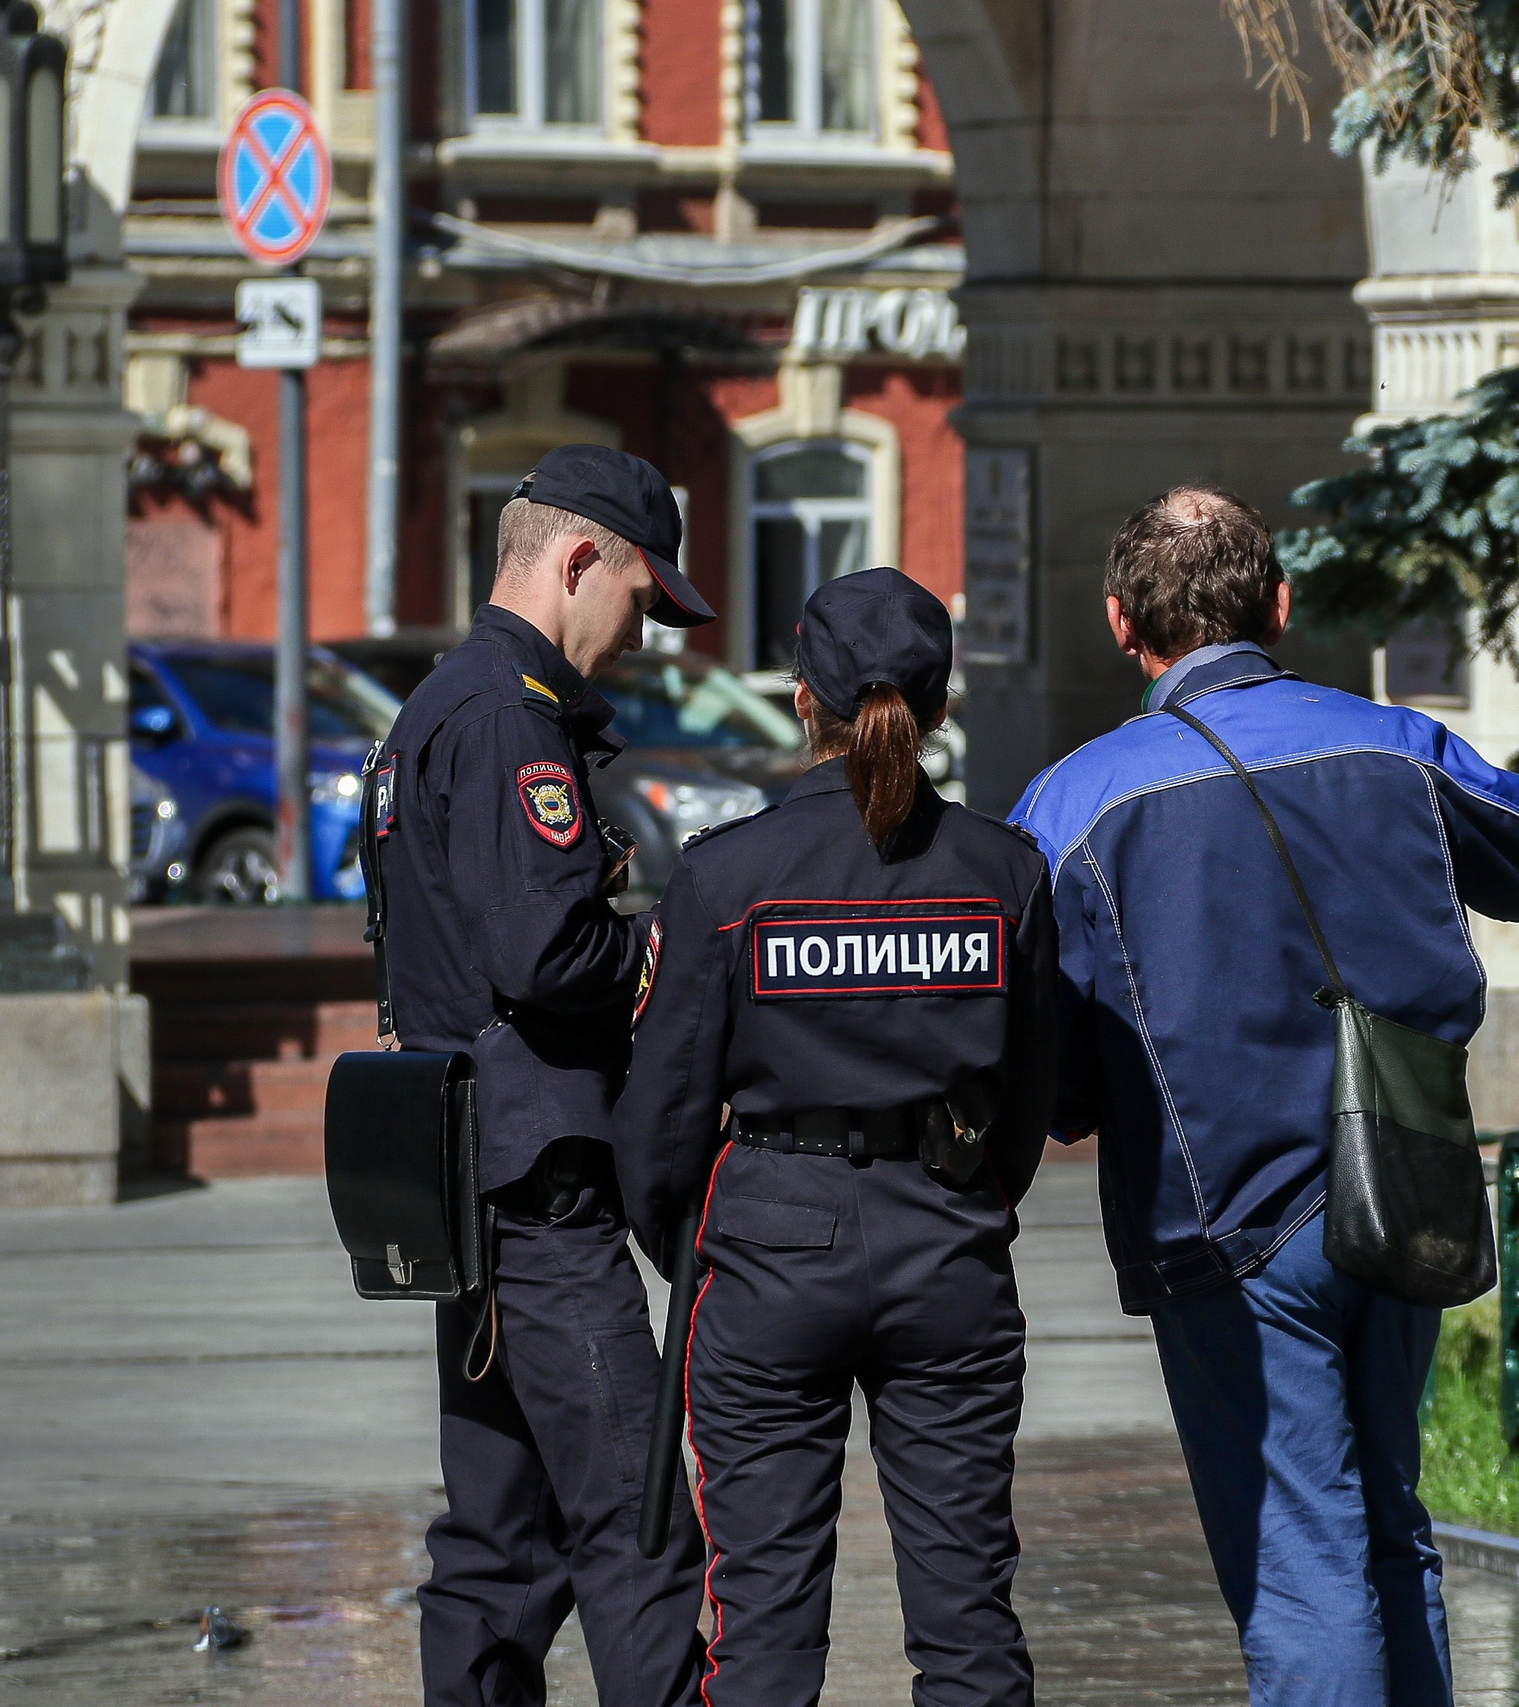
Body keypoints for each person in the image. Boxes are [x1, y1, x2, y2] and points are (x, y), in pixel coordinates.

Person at [1008, 488, 1519, 1707]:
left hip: (1224, 1225)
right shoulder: (1390, 744)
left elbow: (1051, 1068)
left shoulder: (1068, 806)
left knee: (1301, 1553)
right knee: (1386, 1519)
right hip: (1401, 1185)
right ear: (1280, 605)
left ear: (1118, 624)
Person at [613, 567, 1057, 1707]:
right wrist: (966, 1197)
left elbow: (659, 1121)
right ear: (940, 705)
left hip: (769, 1245)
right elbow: (1029, 1092)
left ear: (802, 698)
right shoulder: (1005, 874)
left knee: (760, 1627)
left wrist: (699, 1247)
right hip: (946, 1241)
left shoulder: (725, 874)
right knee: (967, 1623)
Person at [373, 443, 720, 1707]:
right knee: (636, 1520)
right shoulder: (513, 713)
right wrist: (667, 951)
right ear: (579, 561)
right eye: (639, 599)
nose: (640, 637)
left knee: (498, 1545)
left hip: (471, 1179)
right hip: (538, 1188)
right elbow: (546, 951)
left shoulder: (440, 700)